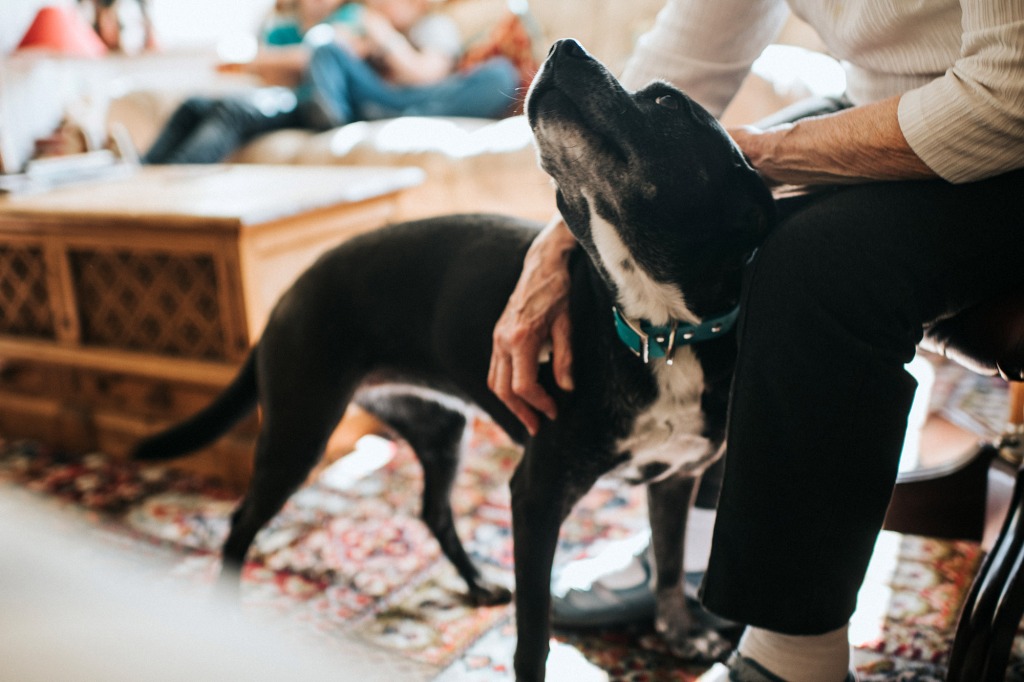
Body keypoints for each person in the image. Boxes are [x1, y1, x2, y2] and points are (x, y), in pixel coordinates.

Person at [487, 1, 1024, 680]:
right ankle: (698, 551)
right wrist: (561, 238)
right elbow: (689, 54)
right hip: (891, 103)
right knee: (697, 219)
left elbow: (1010, 93)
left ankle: (790, 656)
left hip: (1011, 135)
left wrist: (760, 156)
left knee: (814, 262)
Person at [142, 0, 357, 164]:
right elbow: (268, 73)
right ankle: (143, 170)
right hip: (279, 94)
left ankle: (177, 171)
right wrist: (279, 64)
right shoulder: (282, 30)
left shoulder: (347, 19)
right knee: (193, 105)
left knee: (233, 111)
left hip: (310, 104)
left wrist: (266, 62)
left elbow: (310, 57)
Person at [300, 0, 519, 129]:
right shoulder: (364, 30)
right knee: (325, 49)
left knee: (500, 75)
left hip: (425, 97)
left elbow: (426, 75)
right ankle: (342, 115)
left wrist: (386, 39)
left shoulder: (435, 25)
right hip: (378, 98)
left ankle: (393, 116)